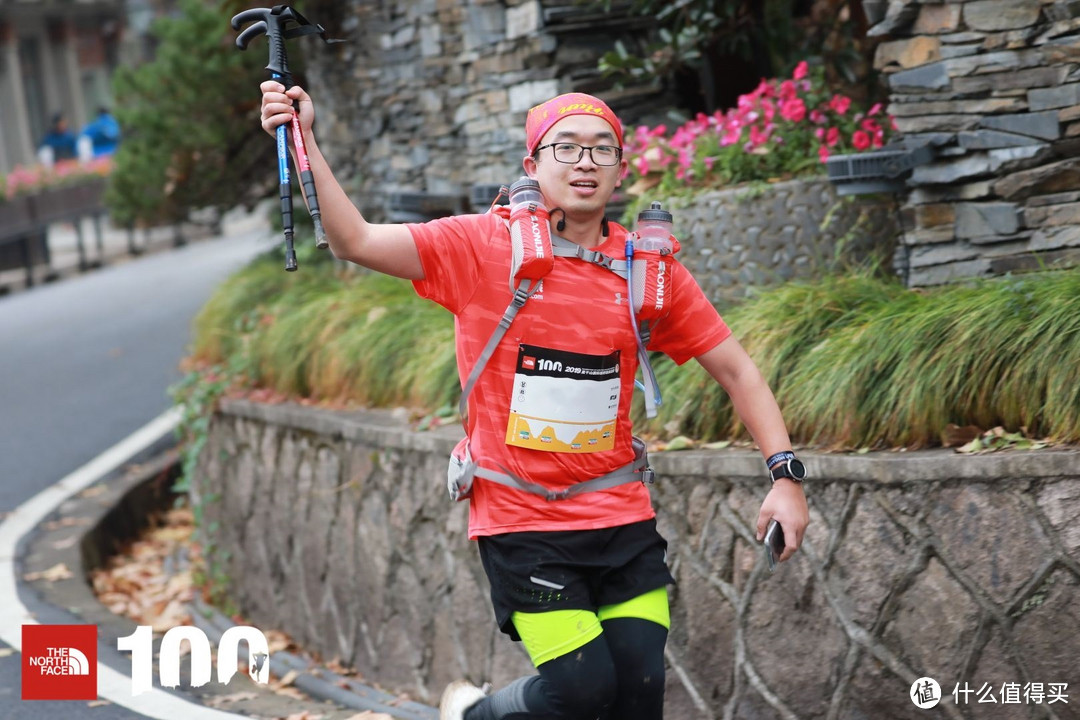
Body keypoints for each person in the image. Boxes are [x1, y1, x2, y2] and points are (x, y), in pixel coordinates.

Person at [260, 82, 810, 720]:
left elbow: (738, 369)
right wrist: (304, 136)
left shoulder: (646, 269)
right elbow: (354, 239)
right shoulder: (479, 247)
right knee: (582, 693)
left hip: (619, 515)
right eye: (567, 148)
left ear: (621, 170)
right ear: (532, 164)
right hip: (522, 521)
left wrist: (785, 475)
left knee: (638, 696)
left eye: (602, 150)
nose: (585, 162)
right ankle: (473, 716)